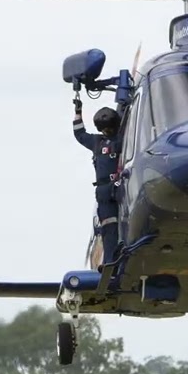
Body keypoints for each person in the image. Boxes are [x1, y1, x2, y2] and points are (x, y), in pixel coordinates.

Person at [73, 97, 122, 265]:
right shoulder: (97, 142)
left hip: (120, 187)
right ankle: (110, 262)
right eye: (104, 129)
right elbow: (79, 134)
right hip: (103, 191)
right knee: (108, 226)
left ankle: (119, 256)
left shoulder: (123, 140)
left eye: (109, 129)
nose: (107, 132)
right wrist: (78, 112)